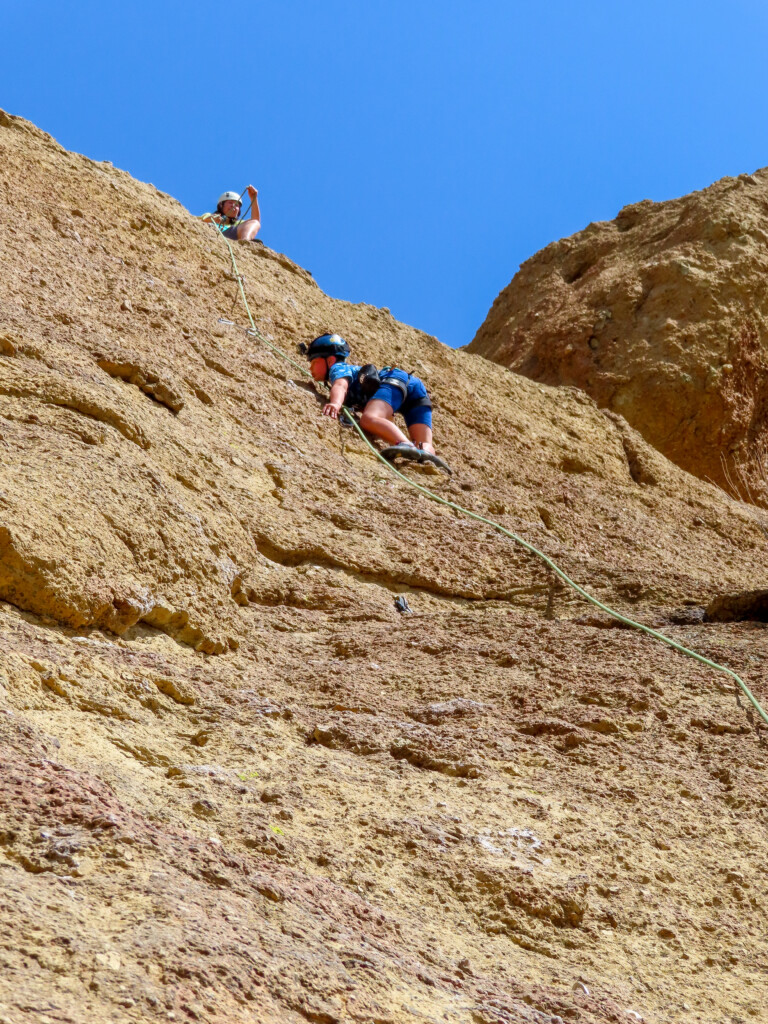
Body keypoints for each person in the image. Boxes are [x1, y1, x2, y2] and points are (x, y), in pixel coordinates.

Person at [303, 333, 451, 473]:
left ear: (330, 360)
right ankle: (428, 458)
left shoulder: (337, 368)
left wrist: (335, 404)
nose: (310, 368)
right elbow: (387, 419)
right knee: (423, 443)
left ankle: (405, 445)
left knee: (369, 419)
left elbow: (341, 385)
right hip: (415, 390)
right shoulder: (349, 373)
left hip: (394, 380)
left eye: (314, 362)